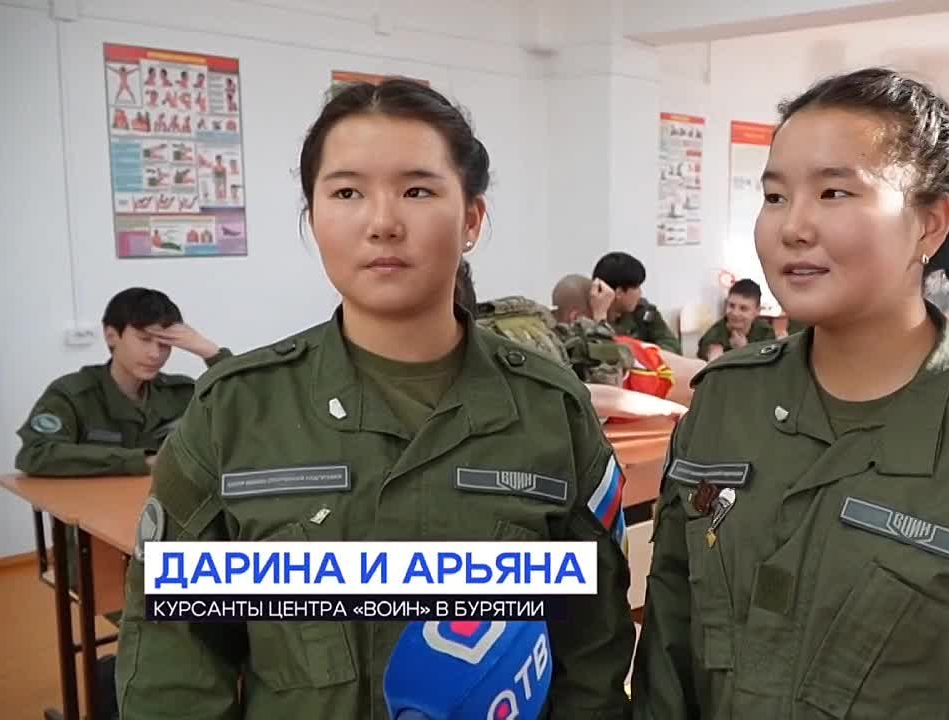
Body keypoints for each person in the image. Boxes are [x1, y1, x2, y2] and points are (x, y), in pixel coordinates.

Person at [632, 68, 949, 718]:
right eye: (774, 196)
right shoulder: (726, 404)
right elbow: (669, 651)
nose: (792, 226)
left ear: (930, 224)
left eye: (834, 192)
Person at [115, 78, 633, 719]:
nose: (383, 223)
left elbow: (591, 653)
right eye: (347, 192)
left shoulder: (551, 411)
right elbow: (174, 659)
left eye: (417, 191)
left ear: (471, 219)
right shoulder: (235, 413)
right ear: (313, 219)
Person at [15, 287, 229, 477]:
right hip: (93, 507)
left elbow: (243, 415)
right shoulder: (72, 395)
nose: (155, 354)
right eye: (144, 339)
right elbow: (36, 453)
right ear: (111, 336)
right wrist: (142, 461)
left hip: (165, 507)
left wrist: (211, 352)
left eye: (165, 344)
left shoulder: (181, 394)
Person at [551, 273, 703, 408]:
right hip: (643, 377)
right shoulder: (561, 351)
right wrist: (599, 320)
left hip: (645, 361)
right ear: (576, 317)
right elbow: (608, 387)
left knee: (702, 374)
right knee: (703, 380)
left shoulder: (553, 333)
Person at [592, 251, 681, 354]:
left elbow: (671, 344)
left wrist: (646, 355)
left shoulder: (643, 312)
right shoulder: (589, 319)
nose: (640, 293)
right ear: (619, 293)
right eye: (637, 287)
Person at [696, 278, 776, 361]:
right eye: (731, 305)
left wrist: (744, 350)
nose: (735, 313)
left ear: (757, 311)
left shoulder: (765, 332)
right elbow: (714, 363)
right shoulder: (714, 335)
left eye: (743, 308)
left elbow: (769, 363)